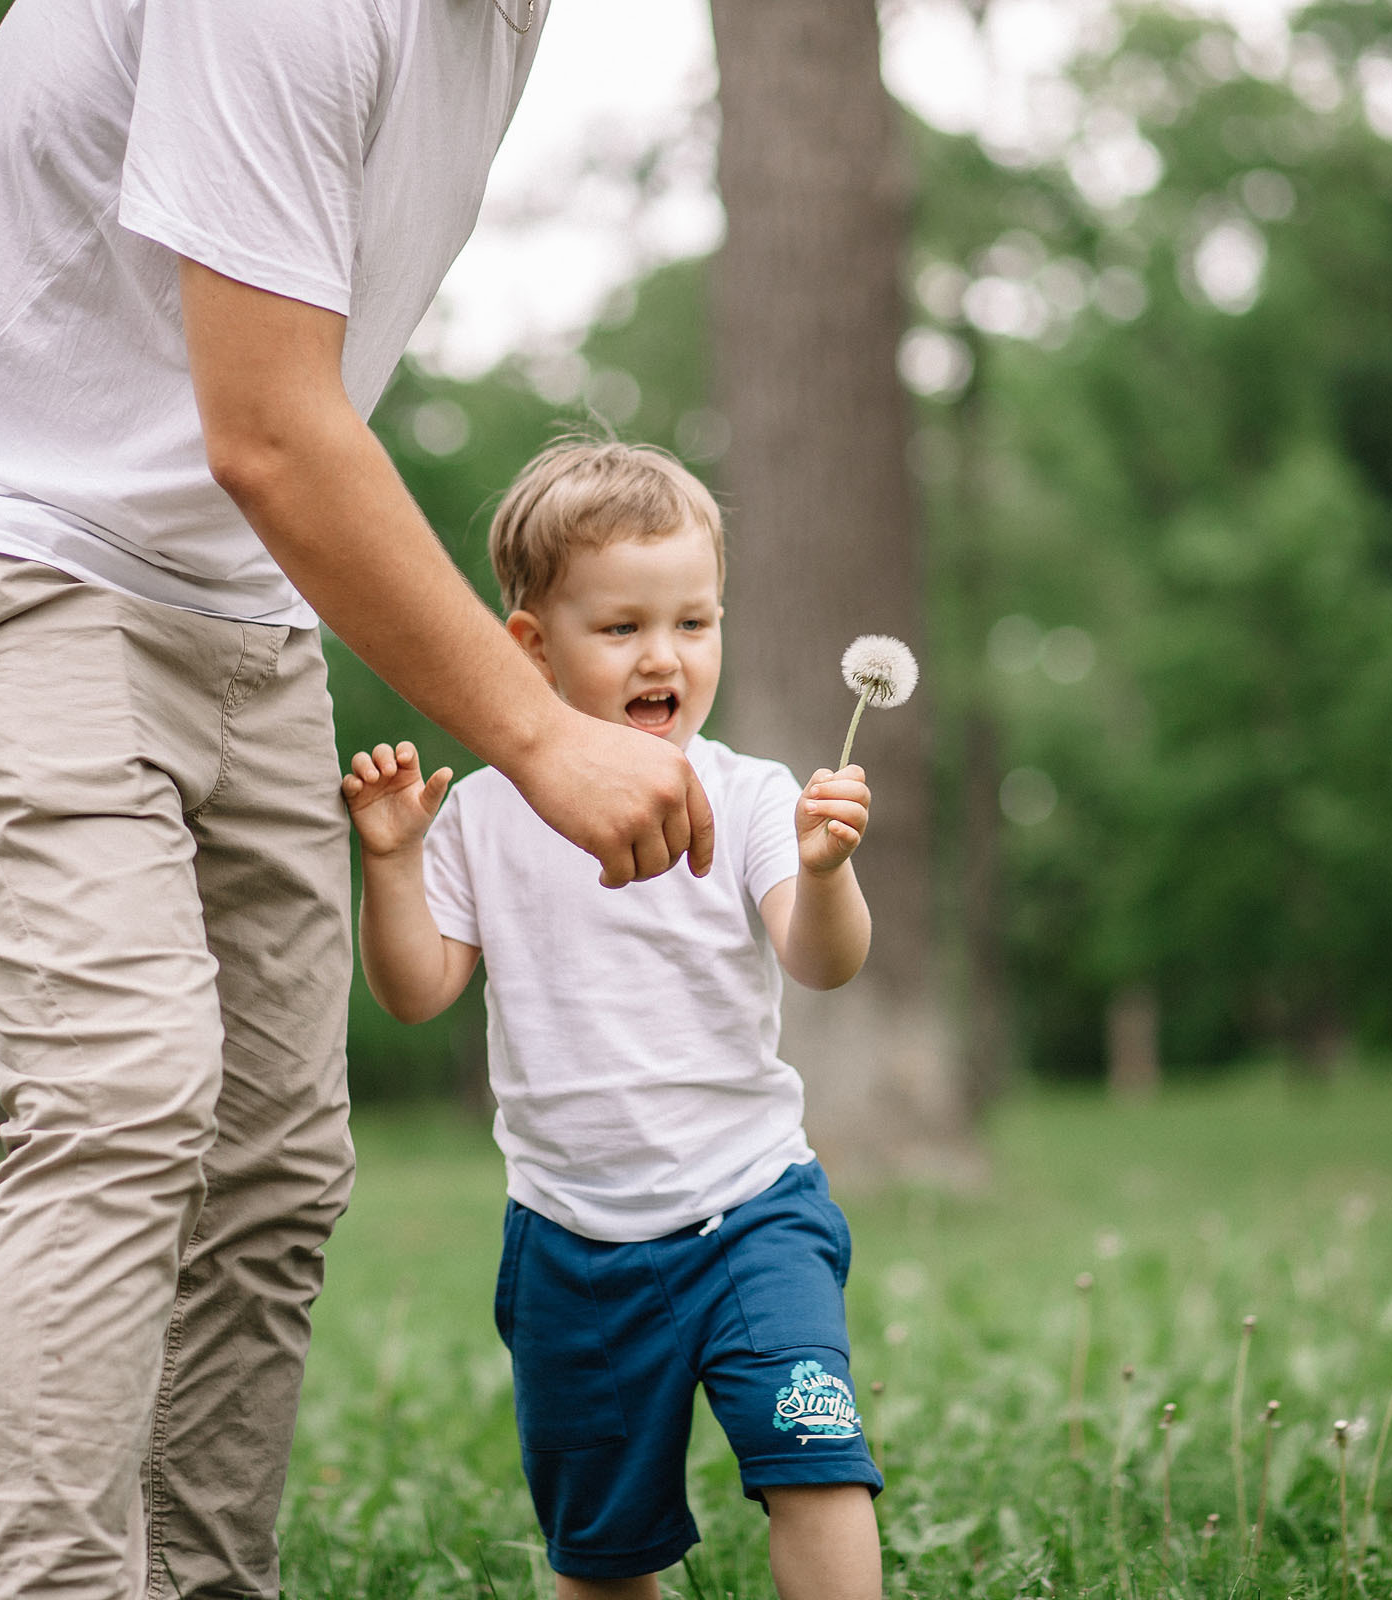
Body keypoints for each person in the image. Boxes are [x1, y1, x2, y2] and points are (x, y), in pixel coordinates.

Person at [0, 4, 714, 1596]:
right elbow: (273, 429)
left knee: (275, 1160)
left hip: (238, 604)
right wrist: (542, 739)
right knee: (130, 1090)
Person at [341, 440, 885, 1600]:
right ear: (529, 648)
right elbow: (414, 989)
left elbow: (821, 963)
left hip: (752, 1210)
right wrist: (391, 864)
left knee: (819, 1464)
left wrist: (825, 871)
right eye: (624, 626)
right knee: (602, 1547)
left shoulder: (750, 797)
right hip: (571, 1242)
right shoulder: (483, 817)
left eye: (694, 622)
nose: (665, 655)